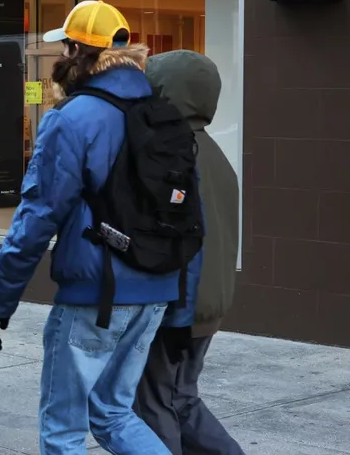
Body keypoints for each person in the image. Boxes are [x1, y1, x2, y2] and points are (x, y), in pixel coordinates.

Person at [0, 1, 184, 455]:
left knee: (63, 428)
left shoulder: (72, 118)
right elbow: (192, 213)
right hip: (156, 289)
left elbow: (37, 217)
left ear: (75, 50)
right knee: (113, 413)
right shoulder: (163, 113)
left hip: (97, 292)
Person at [134, 51, 244, 455]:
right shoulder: (214, 155)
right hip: (207, 305)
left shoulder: (165, 155)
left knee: (155, 403)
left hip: (172, 306)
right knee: (181, 398)